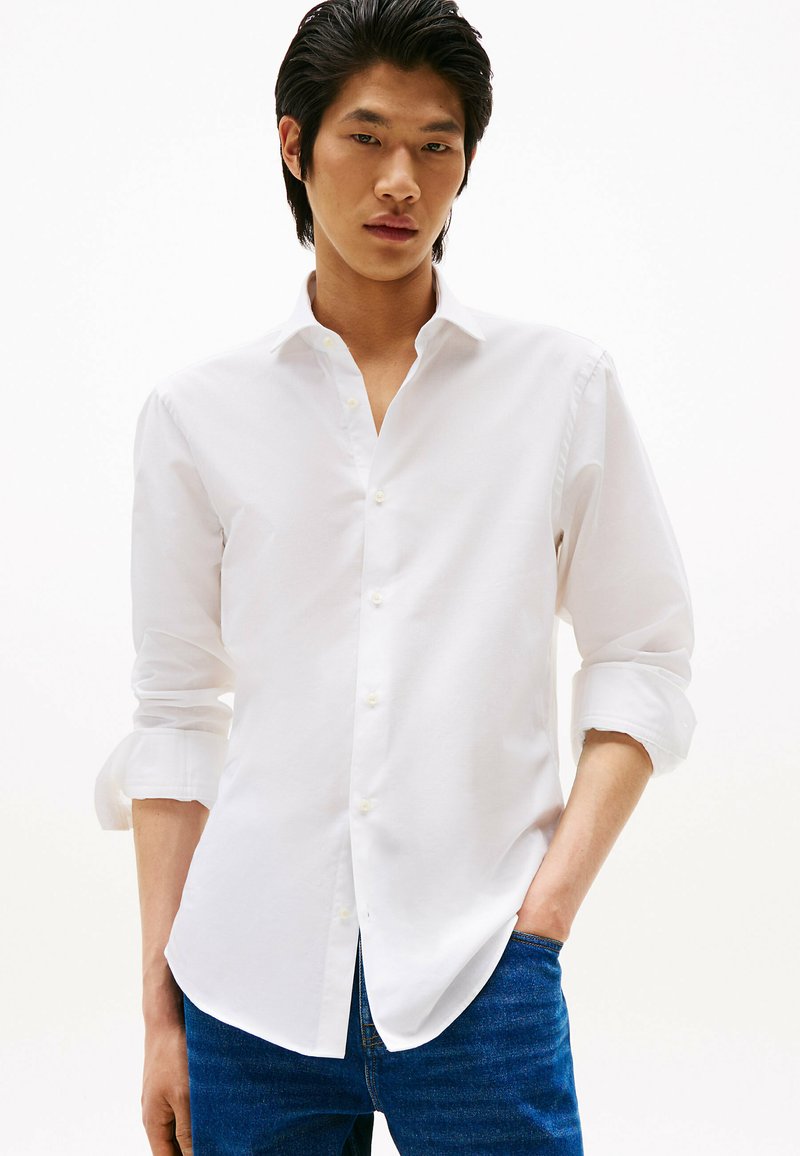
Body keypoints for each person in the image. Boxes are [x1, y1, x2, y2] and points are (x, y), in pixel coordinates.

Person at [94, 1, 697, 1152]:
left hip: (479, 974)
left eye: (434, 146)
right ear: (294, 144)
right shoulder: (196, 413)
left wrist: (544, 916)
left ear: (465, 164)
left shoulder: (559, 387)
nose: (399, 182)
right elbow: (173, 713)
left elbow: (642, 656)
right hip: (244, 987)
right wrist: (160, 1011)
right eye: (365, 137)